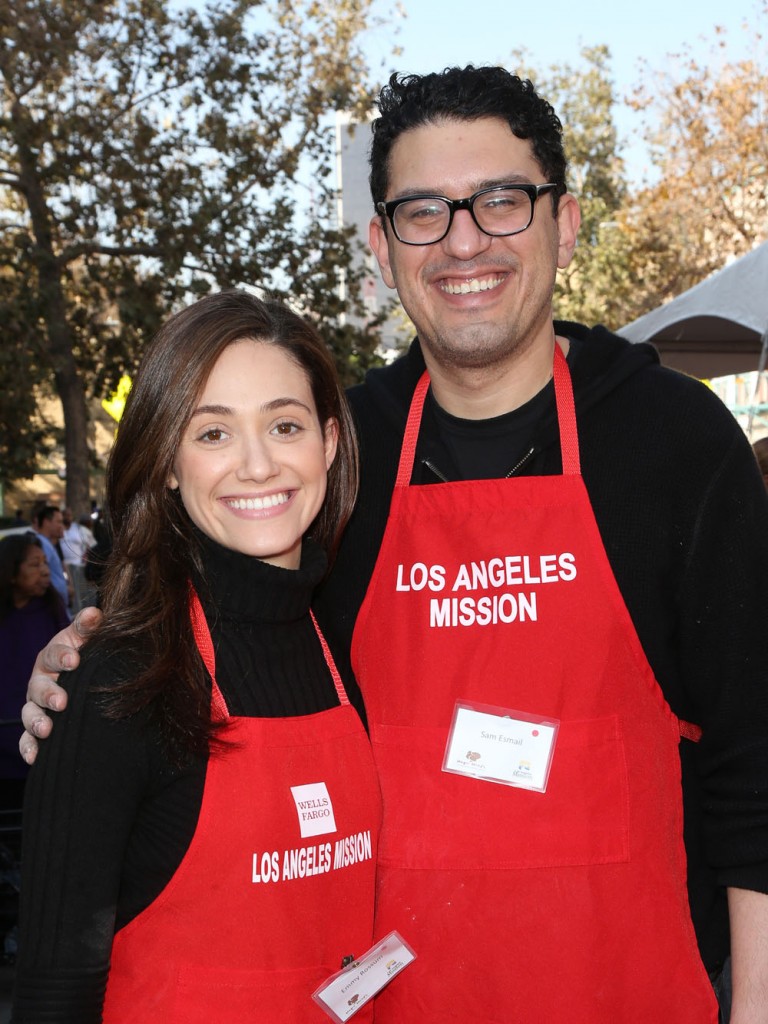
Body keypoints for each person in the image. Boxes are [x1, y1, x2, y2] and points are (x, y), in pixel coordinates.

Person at [20, 66, 768, 1023]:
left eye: (502, 200)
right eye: (423, 211)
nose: (463, 242)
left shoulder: (672, 441)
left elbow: (754, 758)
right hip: (394, 1000)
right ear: (382, 246)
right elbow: (228, 623)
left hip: (628, 989)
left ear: (565, 225)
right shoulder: (340, 453)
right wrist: (83, 671)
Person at [12, 291, 381, 1022]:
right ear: (170, 465)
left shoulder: (348, 641)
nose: (256, 464)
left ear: (329, 444)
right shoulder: (119, 674)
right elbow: (54, 990)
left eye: (284, 425)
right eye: (212, 433)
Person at [0, 535, 68, 801]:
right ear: (11, 571)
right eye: (33, 564)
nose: (43, 570)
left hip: (39, 734)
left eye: (44, 563)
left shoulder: (52, 610)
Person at [31, 505, 71, 618]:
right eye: (58, 521)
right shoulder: (41, 544)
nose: (61, 526)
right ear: (46, 522)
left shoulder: (48, 544)